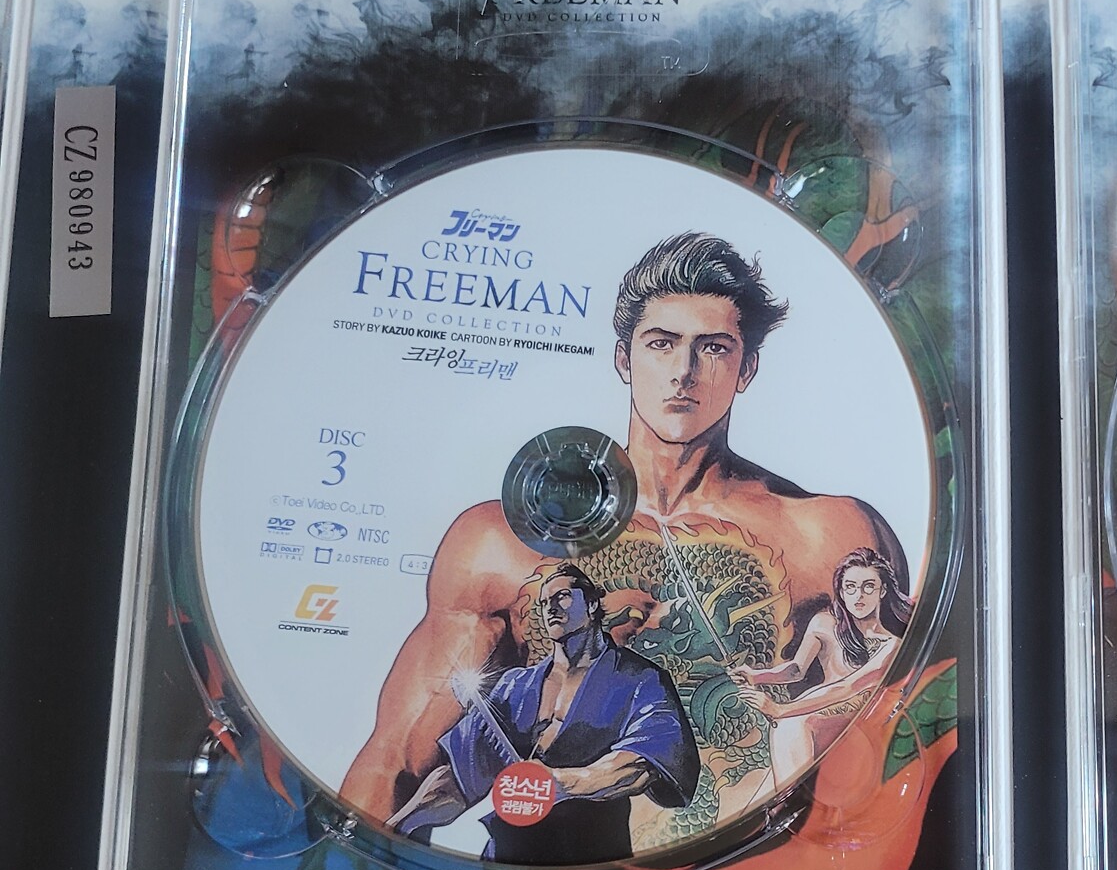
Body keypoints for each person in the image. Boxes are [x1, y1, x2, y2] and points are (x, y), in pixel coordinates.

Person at [341, 231, 908, 835]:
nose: (683, 372)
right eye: (661, 344)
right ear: (623, 359)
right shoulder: (500, 544)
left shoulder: (830, 537)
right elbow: (397, 762)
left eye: (713, 348)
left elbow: (893, 736)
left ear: (746, 368)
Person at [388, 565, 699, 864]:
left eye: (562, 596)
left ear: (591, 604)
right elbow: (459, 778)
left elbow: (640, 766)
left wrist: (559, 783)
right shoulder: (514, 686)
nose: (551, 608)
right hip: (507, 861)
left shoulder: (640, 679)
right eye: (545, 602)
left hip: (591, 861)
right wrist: (398, 826)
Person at [735, 547, 914, 779]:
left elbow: (848, 688)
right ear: (841, 591)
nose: (859, 595)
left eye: (868, 586)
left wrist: (780, 709)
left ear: (883, 590)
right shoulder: (823, 623)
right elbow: (796, 670)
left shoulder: (891, 646)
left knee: (793, 726)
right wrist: (756, 676)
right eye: (850, 587)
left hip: (855, 719)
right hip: (812, 711)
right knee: (791, 729)